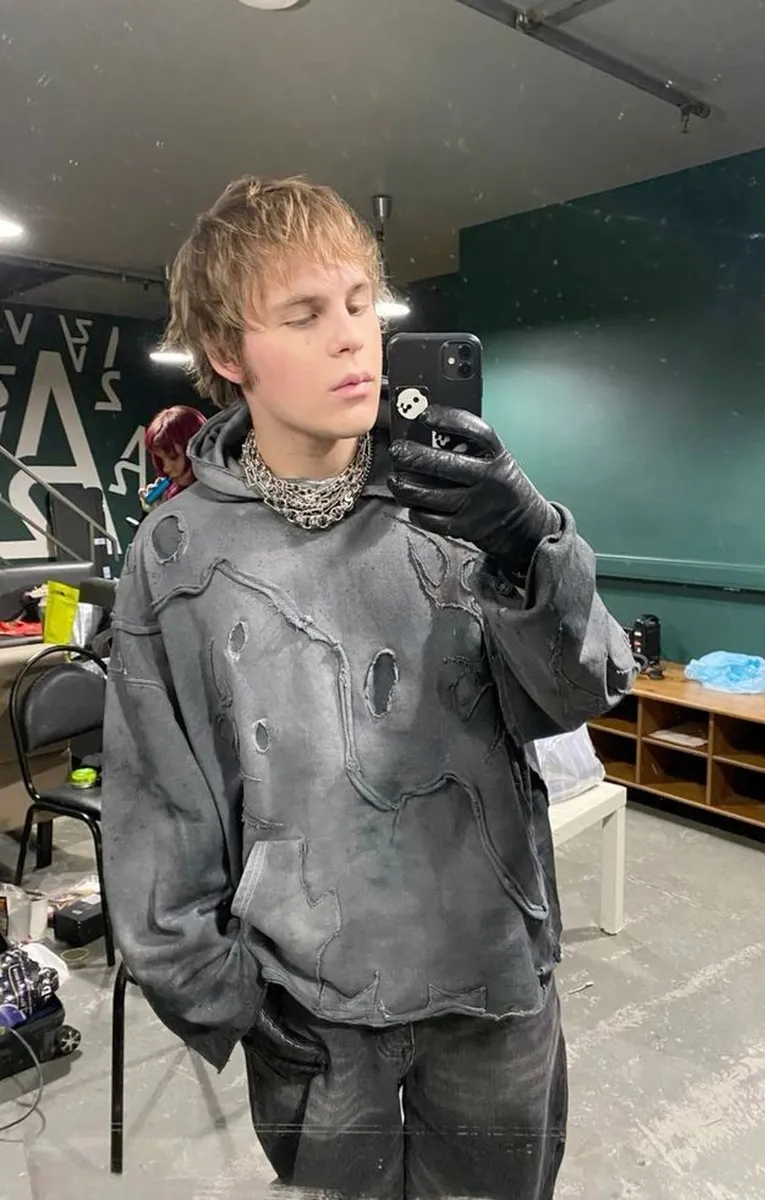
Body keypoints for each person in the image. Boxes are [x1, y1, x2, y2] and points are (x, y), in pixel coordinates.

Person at [102, 175, 637, 1200]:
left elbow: (580, 693)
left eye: (360, 304)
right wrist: (222, 995)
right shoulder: (176, 557)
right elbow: (160, 807)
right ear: (228, 353)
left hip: (492, 987)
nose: (353, 337)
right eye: (304, 314)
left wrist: (528, 542)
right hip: (313, 1012)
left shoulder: (455, 497)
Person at [138, 404, 207, 512]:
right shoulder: (171, 493)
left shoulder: (224, 490)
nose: (166, 468)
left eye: (173, 458)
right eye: (160, 460)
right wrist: (156, 513)